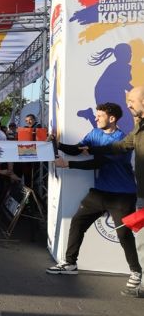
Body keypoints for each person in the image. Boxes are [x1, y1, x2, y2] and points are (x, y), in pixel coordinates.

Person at [80, 93, 144, 298]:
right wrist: (92, 148)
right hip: (134, 193)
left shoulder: (127, 131)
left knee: (127, 235)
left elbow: (113, 152)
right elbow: (120, 146)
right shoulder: (138, 129)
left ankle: (137, 274)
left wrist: (90, 154)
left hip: (124, 195)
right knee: (141, 241)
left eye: (132, 102)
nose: (129, 106)